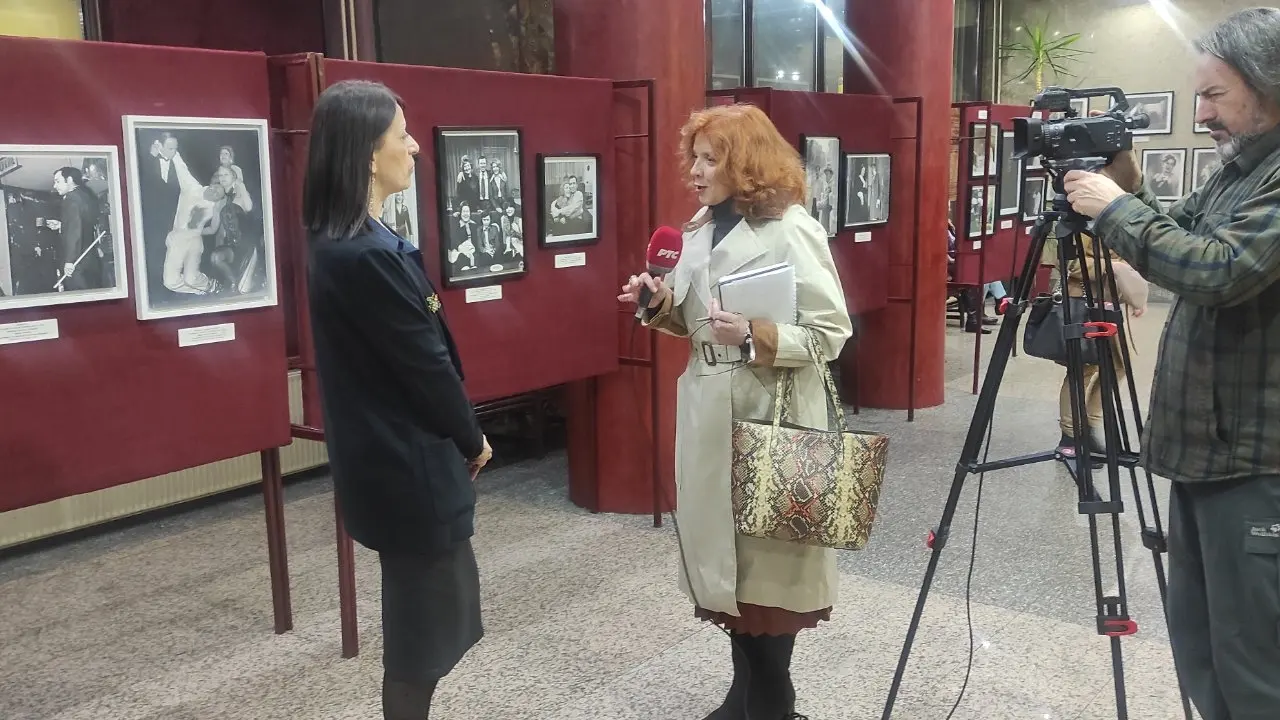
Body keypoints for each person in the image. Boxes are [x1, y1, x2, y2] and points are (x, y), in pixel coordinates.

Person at [1063, 8, 1280, 718]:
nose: (1203, 112)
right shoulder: (1241, 172)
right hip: (1205, 455)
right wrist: (1126, 185)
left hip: (1256, 467)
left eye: (1215, 95)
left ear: (1269, 87)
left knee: (1254, 666)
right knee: (1202, 646)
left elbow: (1217, 269)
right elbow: (1178, 230)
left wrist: (1113, 209)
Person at [619, 103, 852, 720]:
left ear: (745, 163)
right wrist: (658, 303)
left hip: (773, 414)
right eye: (694, 158)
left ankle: (772, 702)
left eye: (710, 159)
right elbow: (694, 319)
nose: (695, 172)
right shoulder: (698, 229)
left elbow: (831, 333)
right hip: (707, 411)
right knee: (728, 577)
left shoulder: (793, 229)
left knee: (767, 577)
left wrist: (756, 334)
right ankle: (742, 696)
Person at [301, 79, 493, 720]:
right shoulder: (362, 254)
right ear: (366, 153)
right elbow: (425, 368)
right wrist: (472, 437)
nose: (414, 147)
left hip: (392, 462)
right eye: (402, 136)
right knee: (419, 644)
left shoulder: (352, 240)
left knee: (428, 628)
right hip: (407, 466)